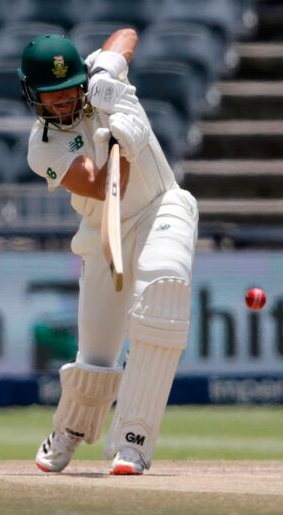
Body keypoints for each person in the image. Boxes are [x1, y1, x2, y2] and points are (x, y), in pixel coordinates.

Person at [19, 30, 199, 475]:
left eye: (68, 93)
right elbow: (101, 186)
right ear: (33, 97)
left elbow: (126, 36)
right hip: (105, 229)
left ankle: (133, 442)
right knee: (96, 354)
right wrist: (125, 139)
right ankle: (70, 430)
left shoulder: (96, 77)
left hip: (162, 206)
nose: (62, 105)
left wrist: (107, 69)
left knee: (163, 288)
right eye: (50, 98)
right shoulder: (43, 147)